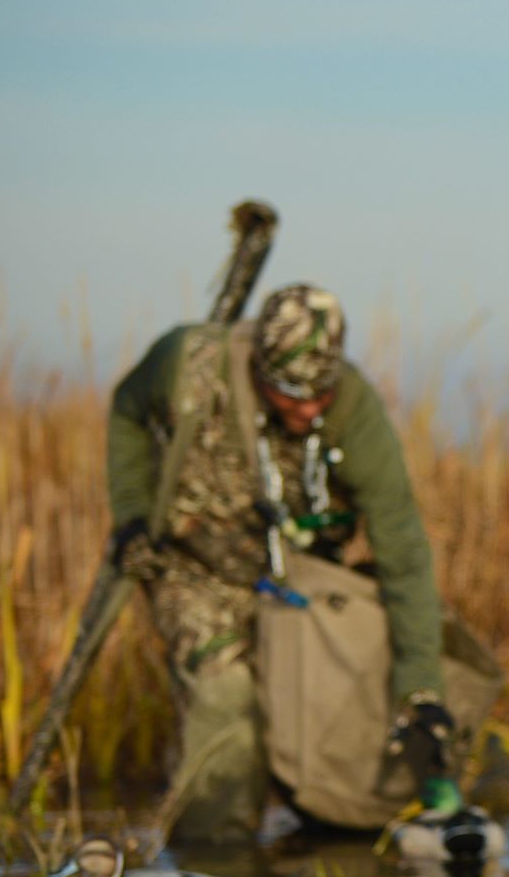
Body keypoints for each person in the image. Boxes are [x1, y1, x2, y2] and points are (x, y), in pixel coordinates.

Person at [106, 283, 459, 845]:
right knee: (227, 702)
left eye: (323, 391)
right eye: (293, 392)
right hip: (194, 572)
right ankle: (214, 863)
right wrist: (130, 513)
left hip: (294, 587)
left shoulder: (355, 410)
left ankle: (329, 833)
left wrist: (422, 690)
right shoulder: (186, 362)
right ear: (260, 370)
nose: (311, 407)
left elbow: (405, 552)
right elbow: (126, 411)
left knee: (327, 718)